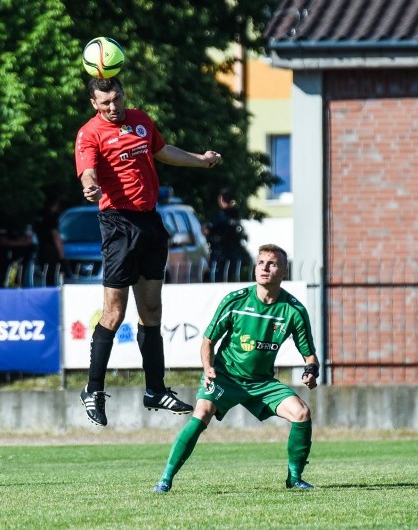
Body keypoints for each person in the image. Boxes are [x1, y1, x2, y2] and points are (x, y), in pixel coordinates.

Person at [74, 76, 222, 426]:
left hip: (150, 222)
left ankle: (155, 389)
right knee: (113, 313)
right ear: (94, 104)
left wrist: (200, 160)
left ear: (124, 94)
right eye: (105, 103)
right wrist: (90, 188)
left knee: (152, 309)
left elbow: (162, 151)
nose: (113, 107)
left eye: (116, 99)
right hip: (117, 224)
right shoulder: (89, 133)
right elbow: (88, 171)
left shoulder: (140, 119)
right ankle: (93, 389)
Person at [153, 244, 320, 493]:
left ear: (284, 270)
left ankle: (294, 478)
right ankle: (165, 479)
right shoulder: (236, 301)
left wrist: (311, 372)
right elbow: (208, 341)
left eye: (272, 263)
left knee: (302, 413)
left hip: (262, 382)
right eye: (261, 262)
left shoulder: (293, 310)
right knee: (202, 412)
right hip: (226, 376)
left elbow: (310, 356)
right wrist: (208, 368)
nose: (264, 267)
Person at [202, 187, 251, 281]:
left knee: (218, 277)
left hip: (220, 252)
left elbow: (207, 230)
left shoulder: (220, 216)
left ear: (221, 199)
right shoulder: (235, 215)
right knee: (230, 276)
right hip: (232, 251)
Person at [0, 211, 36, 288]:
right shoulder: (1, 224)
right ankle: (0, 287)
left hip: (12, 252)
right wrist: (22, 243)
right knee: (1, 273)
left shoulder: (14, 225)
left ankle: (19, 280)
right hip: (3, 253)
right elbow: (3, 241)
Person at [33, 195, 64, 286]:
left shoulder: (39, 215)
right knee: (51, 272)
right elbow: (55, 235)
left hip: (40, 247)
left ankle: (42, 287)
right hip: (50, 248)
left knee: (42, 271)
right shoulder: (51, 216)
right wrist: (61, 255)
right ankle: (50, 289)